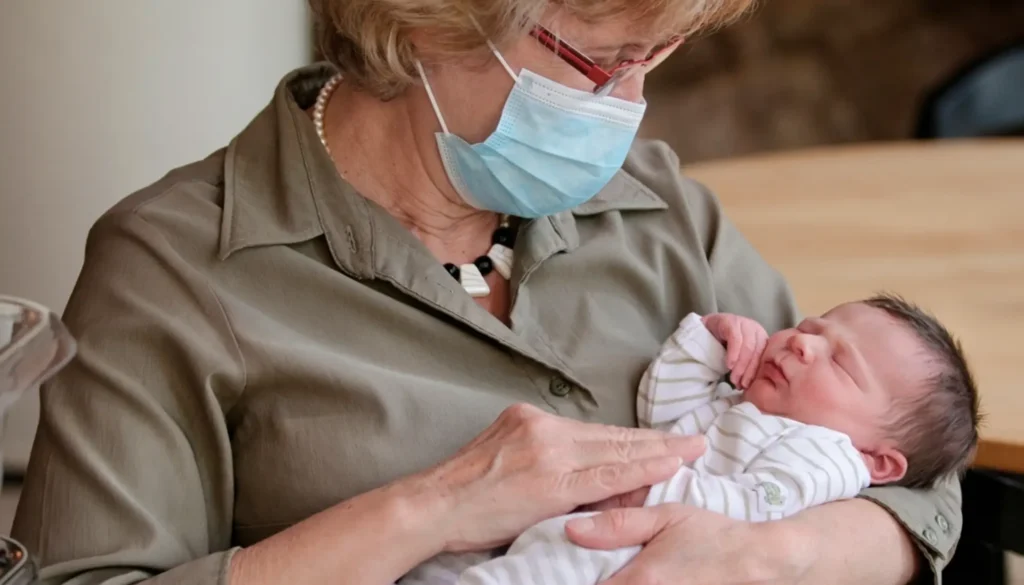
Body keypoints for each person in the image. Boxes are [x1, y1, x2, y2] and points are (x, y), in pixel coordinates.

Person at [11, 0, 963, 583]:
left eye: (652, 60)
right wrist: (430, 508)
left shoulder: (659, 205)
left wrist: (780, 556)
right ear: (433, 16)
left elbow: (910, 463)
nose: (627, 107)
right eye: (598, 64)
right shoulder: (172, 269)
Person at [401, 294, 980, 584]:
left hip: (645, 557)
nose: (803, 345)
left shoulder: (826, 458)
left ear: (877, 460)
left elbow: (757, 511)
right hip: (591, 542)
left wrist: (653, 486)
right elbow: (662, 409)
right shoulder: (736, 404)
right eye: (810, 329)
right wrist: (709, 342)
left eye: (842, 365)